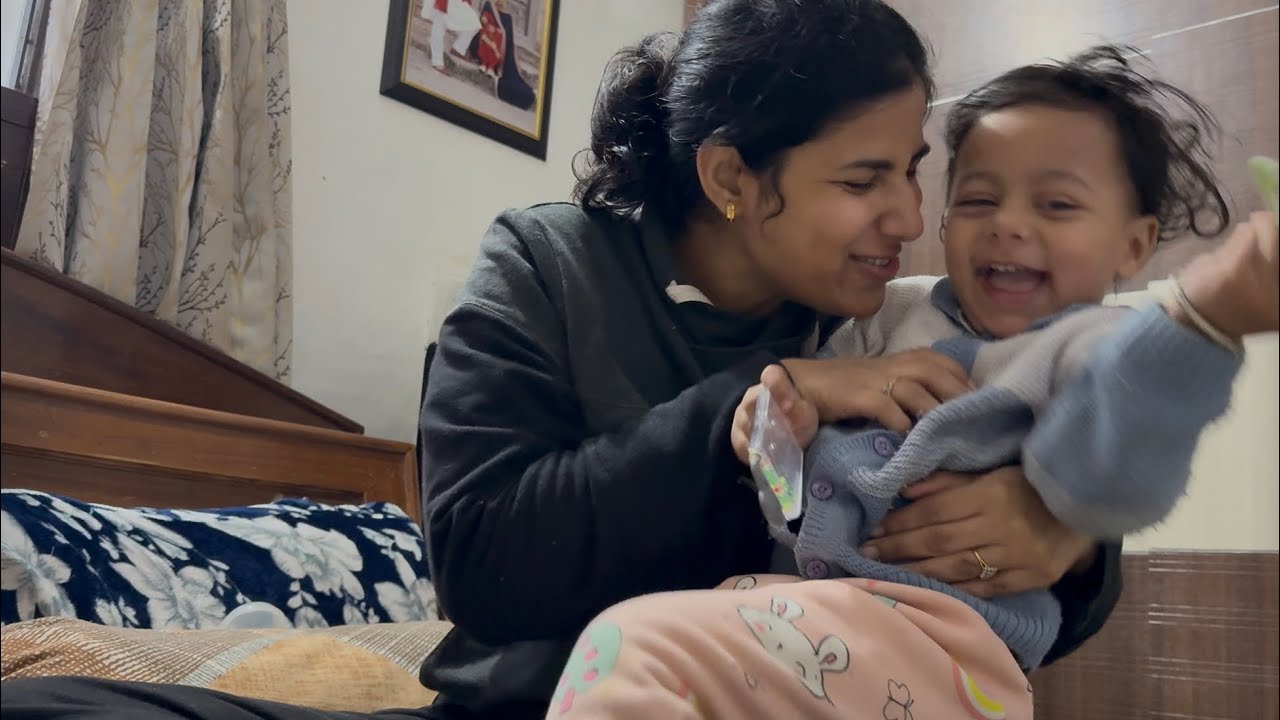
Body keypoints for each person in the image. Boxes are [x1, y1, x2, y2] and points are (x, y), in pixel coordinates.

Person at [0, 2, 1125, 719]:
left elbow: (997, 573)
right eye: (860, 179)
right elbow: (484, 566)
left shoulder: (880, 325)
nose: (904, 216)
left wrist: (1064, 541)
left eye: (909, 172)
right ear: (732, 177)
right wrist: (742, 403)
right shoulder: (546, 268)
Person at [543, 46, 1278, 719]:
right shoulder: (891, 316)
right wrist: (775, 428)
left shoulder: (1097, 347)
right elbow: (787, 488)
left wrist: (1201, 317)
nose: (1008, 226)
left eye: (1056, 205)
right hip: (816, 621)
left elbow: (1111, 473)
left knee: (635, 651)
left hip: (944, 650)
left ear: (1135, 243)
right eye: (979, 199)